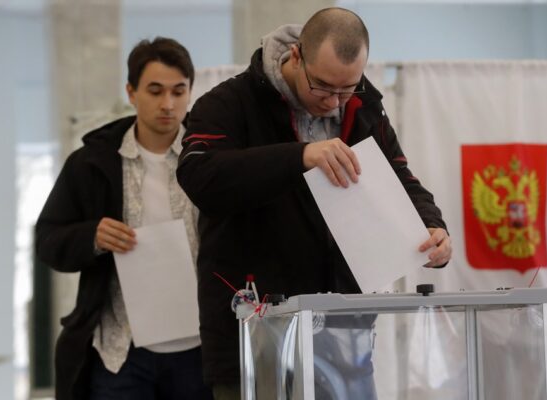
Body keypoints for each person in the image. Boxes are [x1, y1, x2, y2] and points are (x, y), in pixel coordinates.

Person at [177, 7, 451, 399]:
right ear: (295, 57)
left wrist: (432, 226)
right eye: (322, 87)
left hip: (342, 334)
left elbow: (401, 179)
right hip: (256, 331)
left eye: (347, 89)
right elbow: (199, 177)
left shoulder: (365, 107)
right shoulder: (229, 103)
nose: (333, 102)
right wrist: (298, 156)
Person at [36, 37, 212, 400]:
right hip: (122, 351)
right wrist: (92, 237)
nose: (168, 104)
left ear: (191, 92)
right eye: (155, 90)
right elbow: (48, 240)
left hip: (201, 348)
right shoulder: (90, 163)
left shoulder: (211, 158)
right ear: (131, 92)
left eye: (179, 91)